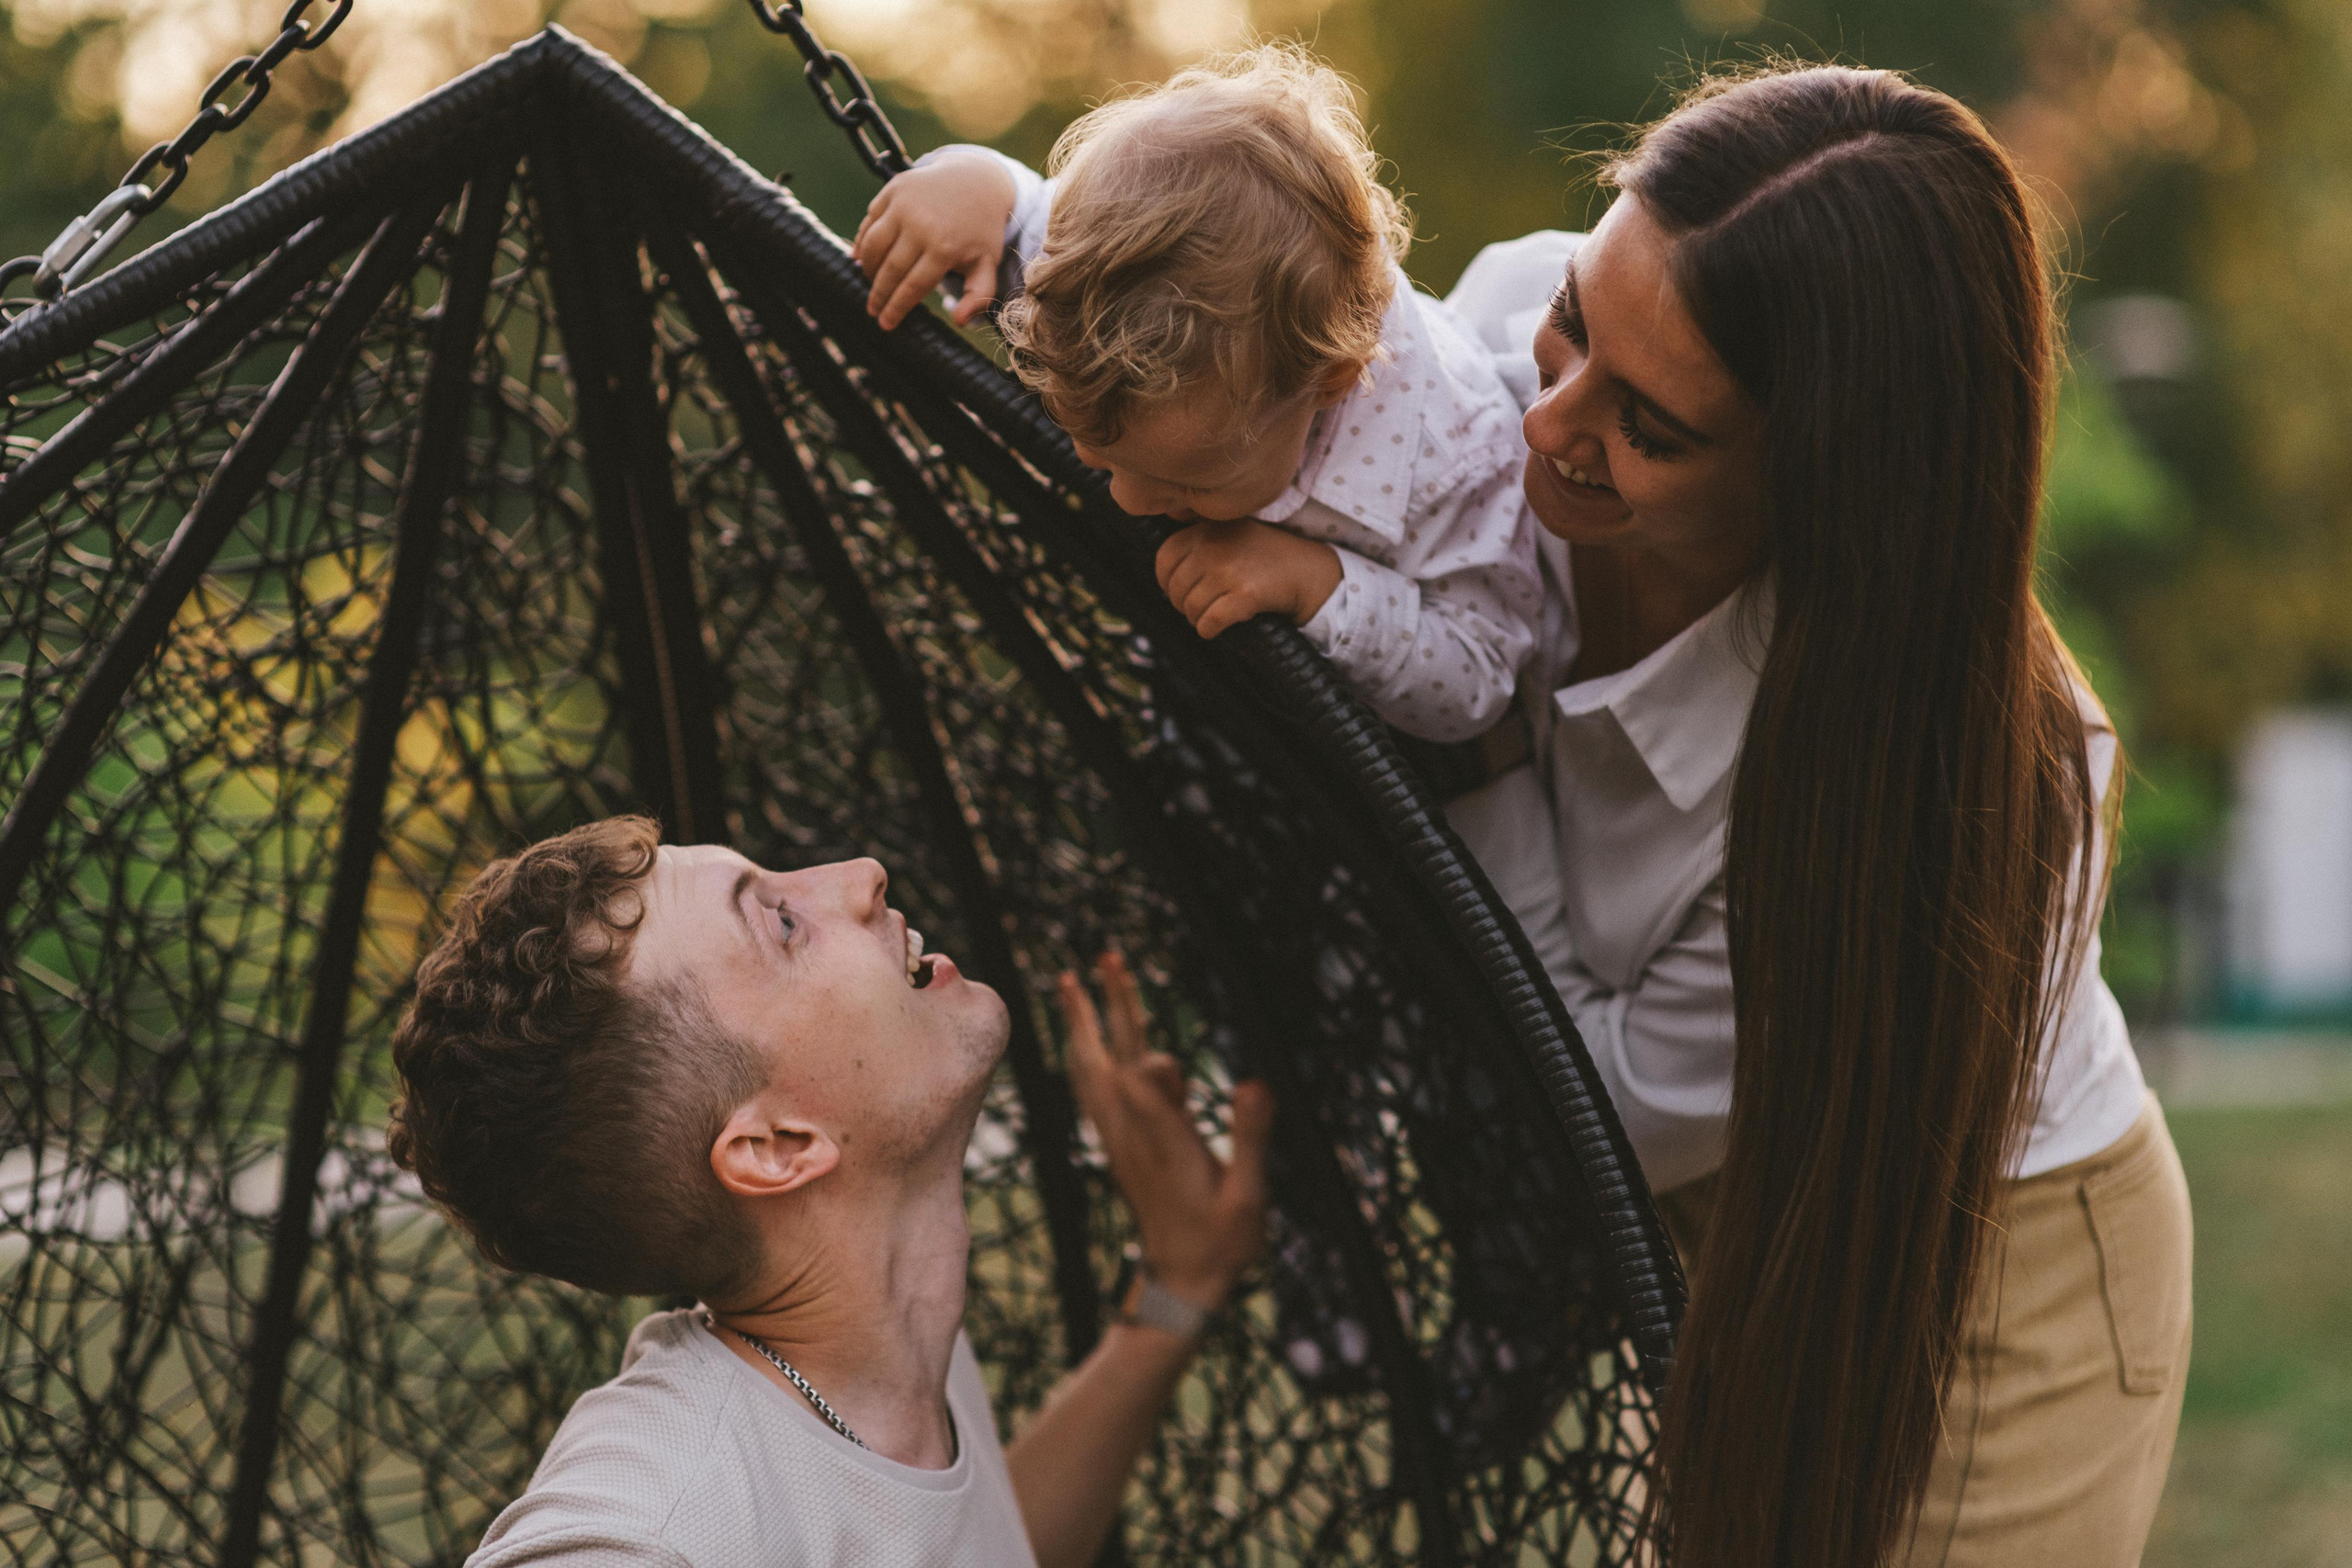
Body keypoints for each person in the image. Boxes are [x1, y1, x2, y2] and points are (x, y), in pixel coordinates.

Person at [1439, 63, 2194, 1568]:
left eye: (1647, 422)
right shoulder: (1517, 328)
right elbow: (1255, 338)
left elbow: (1572, 1106)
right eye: (1579, 321)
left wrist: (1467, 745)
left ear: (1827, 485)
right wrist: (1014, 215)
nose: (1546, 419)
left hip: (1971, 1270)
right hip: (1718, 1219)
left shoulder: (1927, 798)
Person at [384, 816, 1273, 1568]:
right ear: (776, 1147)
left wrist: (1177, 1287)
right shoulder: (659, 1516)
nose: (860, 877)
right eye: (781, 926)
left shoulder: (890, 1350)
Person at [852, 44, 1539, 744]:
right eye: (1097, 448)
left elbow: (1481, 674)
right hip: (1192, 723)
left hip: (1358, 782)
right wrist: (973, 179)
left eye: (1186, 478)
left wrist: (1319, 583)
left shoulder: (1455, 455)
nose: (1127, 498)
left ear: (1327, 382)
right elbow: (1022, 209)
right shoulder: (1097, 273)